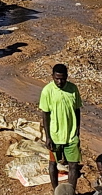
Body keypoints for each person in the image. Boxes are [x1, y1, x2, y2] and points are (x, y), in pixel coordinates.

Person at [40, 64, 82, 192]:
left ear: (67, 77)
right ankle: (56, 191)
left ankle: (70, 192)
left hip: (71, 135)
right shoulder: (47, 91)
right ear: (52, 76)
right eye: (57, 78)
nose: (60, 82)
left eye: (62, 79)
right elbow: (45, 114)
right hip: (54, 135)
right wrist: (48, 137)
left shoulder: (73, 89)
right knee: (53, 163)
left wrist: (77, 131)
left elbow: (77, 110)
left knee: (73, 165)